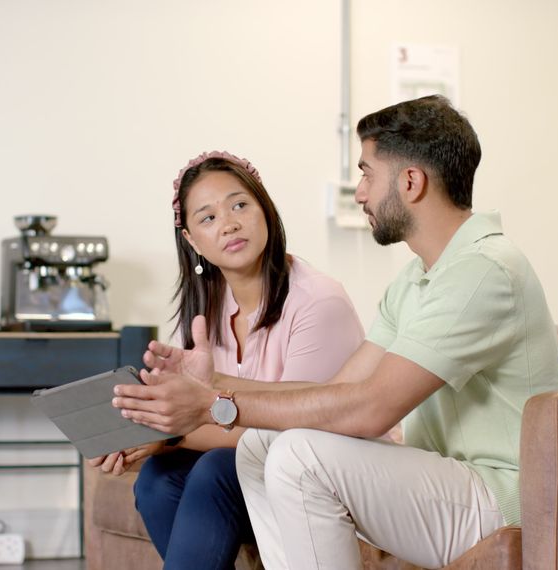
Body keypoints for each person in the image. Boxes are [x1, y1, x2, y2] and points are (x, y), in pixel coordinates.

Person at [112, 96, 558, 569]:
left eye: (368, 173)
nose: (361, 192)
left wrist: (212, 403)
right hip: (449, 481)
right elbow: (337, 392)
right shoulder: (416, 281)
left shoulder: (482, 271)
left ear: (411, 182)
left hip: (507, 498)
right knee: (262, 446)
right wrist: (212, 387)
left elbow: (370, 408)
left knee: (299, 452)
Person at [88, 151, 363, 569]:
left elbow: (296, 428)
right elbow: (192, 411)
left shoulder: (318, 301)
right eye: (208, 217)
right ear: (192, 241)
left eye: (239, 205)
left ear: (265, 210)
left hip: (321, 474)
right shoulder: (207, 309)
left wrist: (168, 435)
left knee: (215, 468)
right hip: (257, 474)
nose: (229, 223)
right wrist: (141, 436)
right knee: (157, 480)